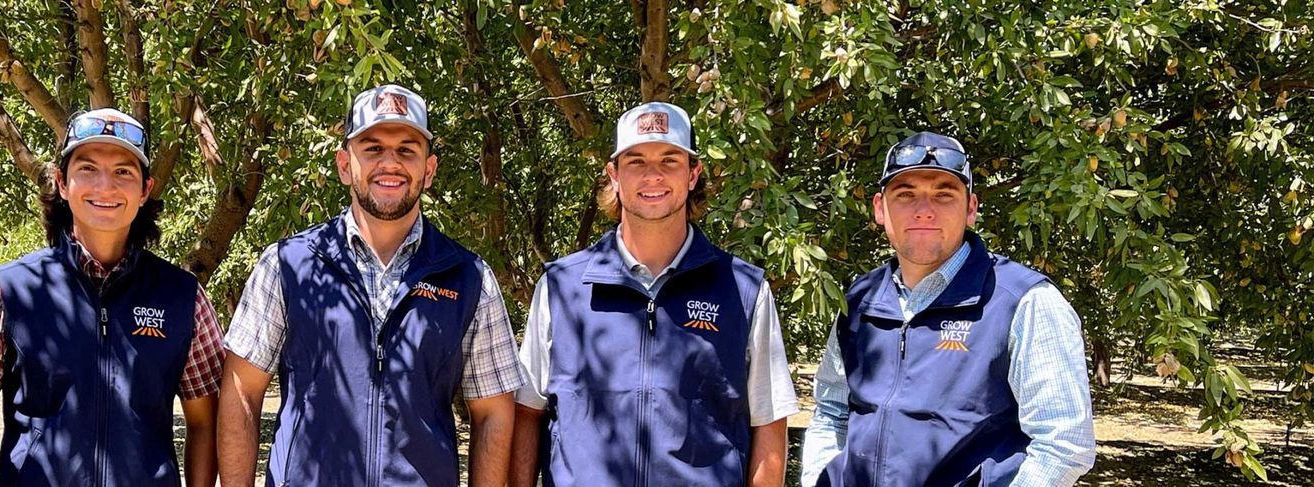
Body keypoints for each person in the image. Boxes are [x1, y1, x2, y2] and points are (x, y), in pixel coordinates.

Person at [215, 85, 522, 487]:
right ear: (345, 165)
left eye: (407, 150)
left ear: (429, 170)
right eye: (373, 148)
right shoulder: (286, 265)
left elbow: (493, 413)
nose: (390, 163)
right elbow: (241, 393)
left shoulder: (470, 279)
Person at [507, 102, 796, 486]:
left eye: (669, 160)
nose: (653, 175)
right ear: (614, 175)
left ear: (693, 174)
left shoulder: (744, 290)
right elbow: (527, 413)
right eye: (636, 161)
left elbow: (769, 422)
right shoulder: (561, 288)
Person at [800, 132, 1097, 486]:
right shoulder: (860, 300)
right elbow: (832, 412)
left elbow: (1063, 445)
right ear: (880, 208)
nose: (924, 210)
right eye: (905, 194)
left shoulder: (1023, 302)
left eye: (944, 194)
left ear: (971, 208)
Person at [0, 108, 222, 486]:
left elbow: (205, 423)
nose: (105, 186)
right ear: (62, 182)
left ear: (145, 190)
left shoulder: (184, 299)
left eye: (123, 171)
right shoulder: (7, 291)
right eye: (87, 168)